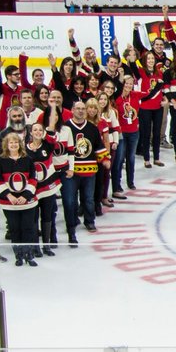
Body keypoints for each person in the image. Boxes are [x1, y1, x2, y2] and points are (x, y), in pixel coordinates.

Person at [61, 100, 108, 245]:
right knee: (70, 200)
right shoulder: (65, 127)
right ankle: (72, 223)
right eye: (78, 108)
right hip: (70, 171)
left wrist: (104, 158)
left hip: (89, 170)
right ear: (72, 110)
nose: (81, 111)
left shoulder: (92, 128)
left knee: (88, 198)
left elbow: (98, 146)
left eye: (83, 109)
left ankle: (89, 221)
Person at [0, 132, 39, 266]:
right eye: (11, 142)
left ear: (20, 144)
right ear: (6, 145)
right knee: (15, 229)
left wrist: (25, 196)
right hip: (9, 203)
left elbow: (33, 179)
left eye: (16, 142)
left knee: (28, 228)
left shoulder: (28, 159)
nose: (13, 145)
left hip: (27, 202)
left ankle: (29, 255)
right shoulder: (1, 161)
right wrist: (9, 195)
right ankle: (18, 256)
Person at [26, 121, 60, 256]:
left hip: (47, 187)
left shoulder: (48, 145)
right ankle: (36, 247)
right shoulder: (24, 148)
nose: (38, 132)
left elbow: (53, 136)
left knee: (47, 216)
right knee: (33, 217)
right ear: (30, 132)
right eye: (35, 130)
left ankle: (46, 246)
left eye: (40, 130)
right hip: (32, 188)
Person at [113, 76, 141, 197]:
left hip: (134, 131)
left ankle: (130, 181)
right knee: (119, 159)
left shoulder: (135, 95)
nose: (129, 86)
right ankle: (117, 184)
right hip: (121, 133)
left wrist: (159, 85)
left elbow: (149, 94)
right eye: (126, 83)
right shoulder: (117, 98)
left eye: (131, 84)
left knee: (131, 158)